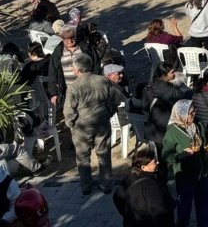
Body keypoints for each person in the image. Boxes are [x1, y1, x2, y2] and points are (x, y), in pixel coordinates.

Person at [64, 54, 124, 195]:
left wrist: (71, 123)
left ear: (76, 69)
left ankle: (86, 185)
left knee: (83, 157)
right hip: (102, 122)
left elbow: (68, 111)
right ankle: (106, 183)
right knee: (103, 154)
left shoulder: (74, 87)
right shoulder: (103, 81)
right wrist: (110, 111)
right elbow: (118, 97)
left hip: (82, 126)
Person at [162, 99, 208, 227]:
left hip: (202, 173)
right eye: (190, 113)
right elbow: (166, 155)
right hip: (185, 175)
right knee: (184, 207)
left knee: (203, 206)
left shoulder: (198, 126)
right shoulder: (172, 132)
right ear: (181, 114)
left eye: (194, 111)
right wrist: (181, 155)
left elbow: (206, 140)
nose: (194, 115)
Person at [114, 144, 175, 227]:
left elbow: (117, 197)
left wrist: (128, 215)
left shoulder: (129, 178)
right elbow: (159, 212)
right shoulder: (152, 186)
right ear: (143, 167)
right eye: (154, 162)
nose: (157, 162)